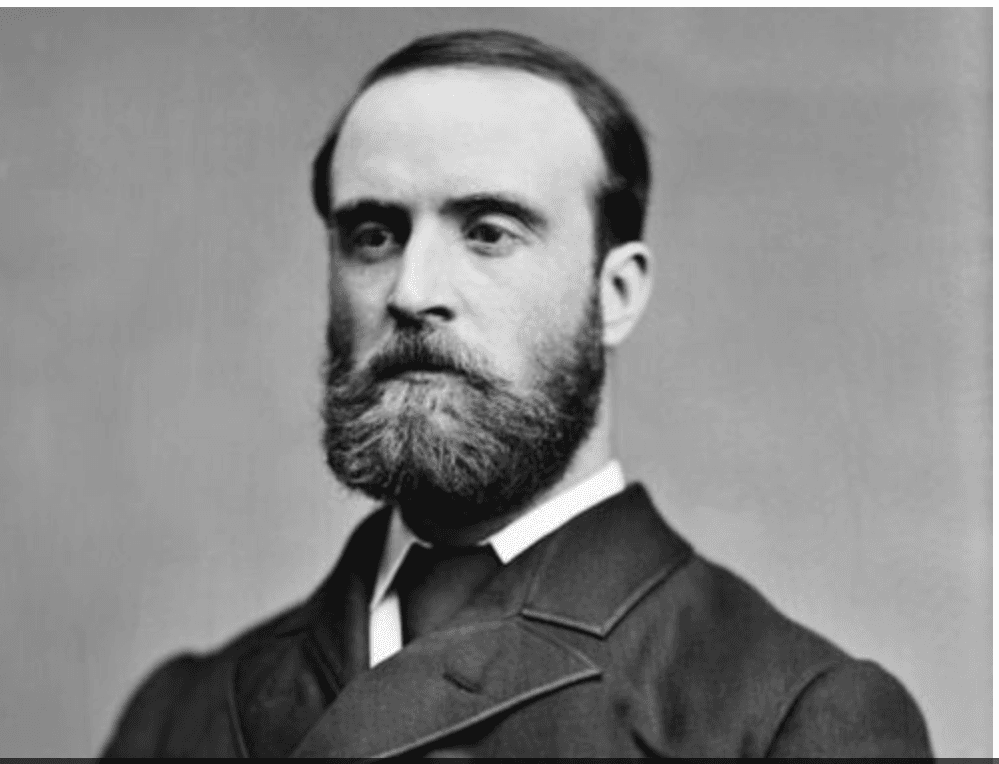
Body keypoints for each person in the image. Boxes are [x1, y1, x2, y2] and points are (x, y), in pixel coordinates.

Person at [102, 29, 932, 758]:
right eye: (374, 235)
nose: (412, 290)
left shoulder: (788, 718)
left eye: (489, 233)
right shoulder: (177, 716)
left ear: (615, 294)